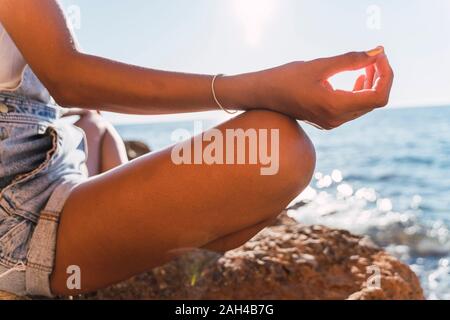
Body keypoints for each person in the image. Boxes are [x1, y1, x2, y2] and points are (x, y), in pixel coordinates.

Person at [0, 0, 393, 297]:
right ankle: (120, 249)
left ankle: (119, 235)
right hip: (16, 216)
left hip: (42, 162)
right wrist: (258, 87)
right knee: (276, 149)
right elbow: (68, 78)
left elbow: (67, 93)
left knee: (93, 124)